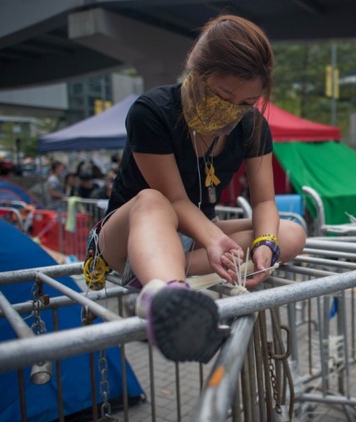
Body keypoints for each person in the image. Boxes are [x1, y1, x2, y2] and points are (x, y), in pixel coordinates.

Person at [85, 14, 307, 363]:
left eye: (247, 102)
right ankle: (167, 299)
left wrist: (266, 244)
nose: (233, 110)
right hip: (129, 236)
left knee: (290, 233)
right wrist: (216, 241)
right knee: (153, 200)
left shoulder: (253, 126)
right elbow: (174, 200)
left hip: (193, 238)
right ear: (196, 73)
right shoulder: (152, 112)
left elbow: (264, 200)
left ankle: (166, 274)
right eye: (223, 95)